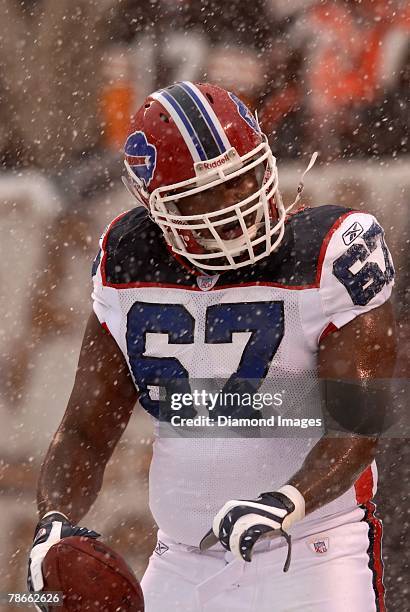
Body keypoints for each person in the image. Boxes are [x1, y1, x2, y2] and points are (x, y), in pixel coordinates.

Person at [27, 82, 396, 611]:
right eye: (204, 195)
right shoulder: (127, 260)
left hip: (312, 553)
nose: (237, 204)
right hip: (179, 561)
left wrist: (285, 502)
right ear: (156, 209)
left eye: (243, 178)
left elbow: (359, 424)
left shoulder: (331, 249)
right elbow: (86, 429)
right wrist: (53, 523)